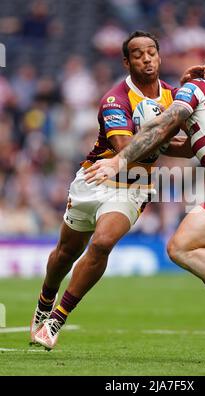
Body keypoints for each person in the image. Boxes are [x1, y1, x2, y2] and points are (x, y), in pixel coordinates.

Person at [85, 38, 205, 363]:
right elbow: (190, 136)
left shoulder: (199, 88)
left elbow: (165, 124)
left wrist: (119, 160)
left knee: (179, 248)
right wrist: (188, 86)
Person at [30, 31, 194, 350]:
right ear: (126, 61)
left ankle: (56, 320)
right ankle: (44, 301)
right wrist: (166, 134)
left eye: (151, 52)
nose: (146, 58)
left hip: (133, 186)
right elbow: (125, 149)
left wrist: (189, 142)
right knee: (65, 254)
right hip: (95, 178)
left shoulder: (174, 97)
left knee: (103, 242)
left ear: (160, 57)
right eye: (138, 54)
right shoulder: (115, 98)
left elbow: (187, 150)